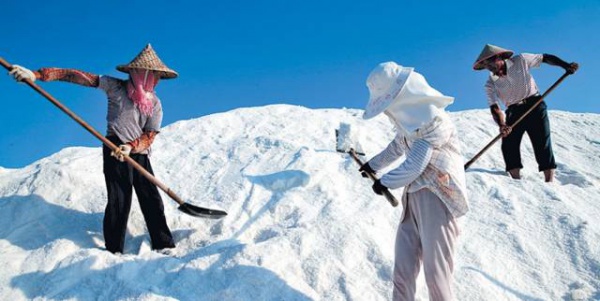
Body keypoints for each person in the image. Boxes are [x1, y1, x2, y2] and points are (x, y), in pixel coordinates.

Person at [9, 44, 178, 254]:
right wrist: (37, 74)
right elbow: (75, 75)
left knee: (151, 197)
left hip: (138, 153)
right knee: (119, 198)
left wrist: (132, 147)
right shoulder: (115, 87)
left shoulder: (155, 104)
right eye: (154, 75)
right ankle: (114, 249)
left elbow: (150, 135)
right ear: (140, 73)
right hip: (114, 147)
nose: (157, 80)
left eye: (159, 76)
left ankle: (163, 243)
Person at [359, 62, 468, 301]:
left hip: (437, 198)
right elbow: (396, 148)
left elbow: (416, 163)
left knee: (436, 275)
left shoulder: (438, 123)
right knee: (403, 270)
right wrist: (372, 165)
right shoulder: (409, 129)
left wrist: (385, 182)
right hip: (412, 197)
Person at [473, 44, 579, 182]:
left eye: (491, 63)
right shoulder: (490, 84)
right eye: (486, 66)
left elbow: (545, 58)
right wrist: (502, 124)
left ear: (499, 57)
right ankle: (516, 180)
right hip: (513, 111)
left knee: (542, 141)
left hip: (534, 104)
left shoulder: (521, 60)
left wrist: (565, 65)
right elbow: (495, 108)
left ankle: (549, 181)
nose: (490, 68)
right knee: (508, 143)